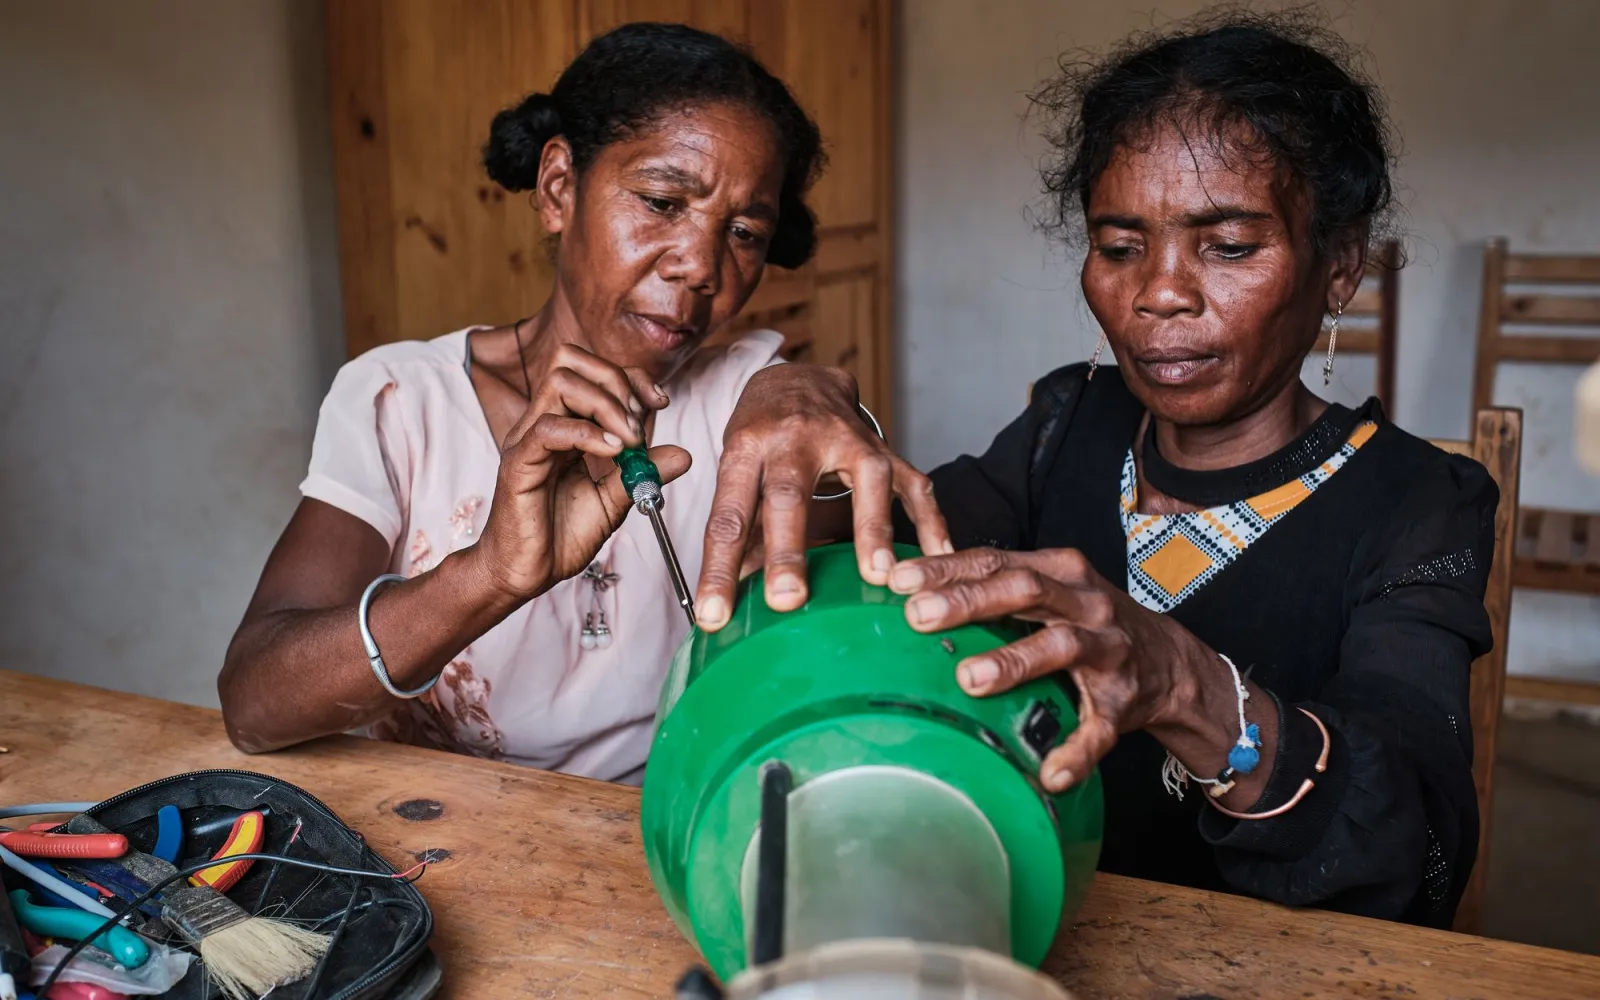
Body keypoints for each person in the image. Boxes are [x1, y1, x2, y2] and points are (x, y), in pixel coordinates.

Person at [696, 12, 1497, 927]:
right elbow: (888, 561)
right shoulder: (1065, 424)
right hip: (1015, 919)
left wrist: (1186, 684)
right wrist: (800, 402)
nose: (1159, 292)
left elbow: (1422, 857)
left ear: (1341, 264)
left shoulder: (1418, 503)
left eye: (1229, 246)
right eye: (1119, 247)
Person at [216, 23, 942, 784]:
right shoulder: (402, 403)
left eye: (744, 233)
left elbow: (837, 612)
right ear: (560, 187)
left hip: (658, 831)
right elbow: (255, 706)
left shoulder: (745, 403)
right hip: (440, 838)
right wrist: (488, 573)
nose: (700, 266)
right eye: (662, 201)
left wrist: (820, 404)